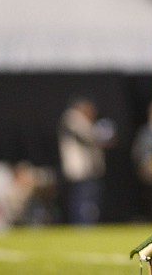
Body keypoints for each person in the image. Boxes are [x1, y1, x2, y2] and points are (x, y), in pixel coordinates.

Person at [57, 96, 116, 224]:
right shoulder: (72, 119)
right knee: (82, 200)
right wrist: (101, 137)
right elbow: (86, 138)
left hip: (90, 170)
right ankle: (81, 224)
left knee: (91, 199)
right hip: (80, 170)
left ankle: (87, 223)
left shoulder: (86, 123)